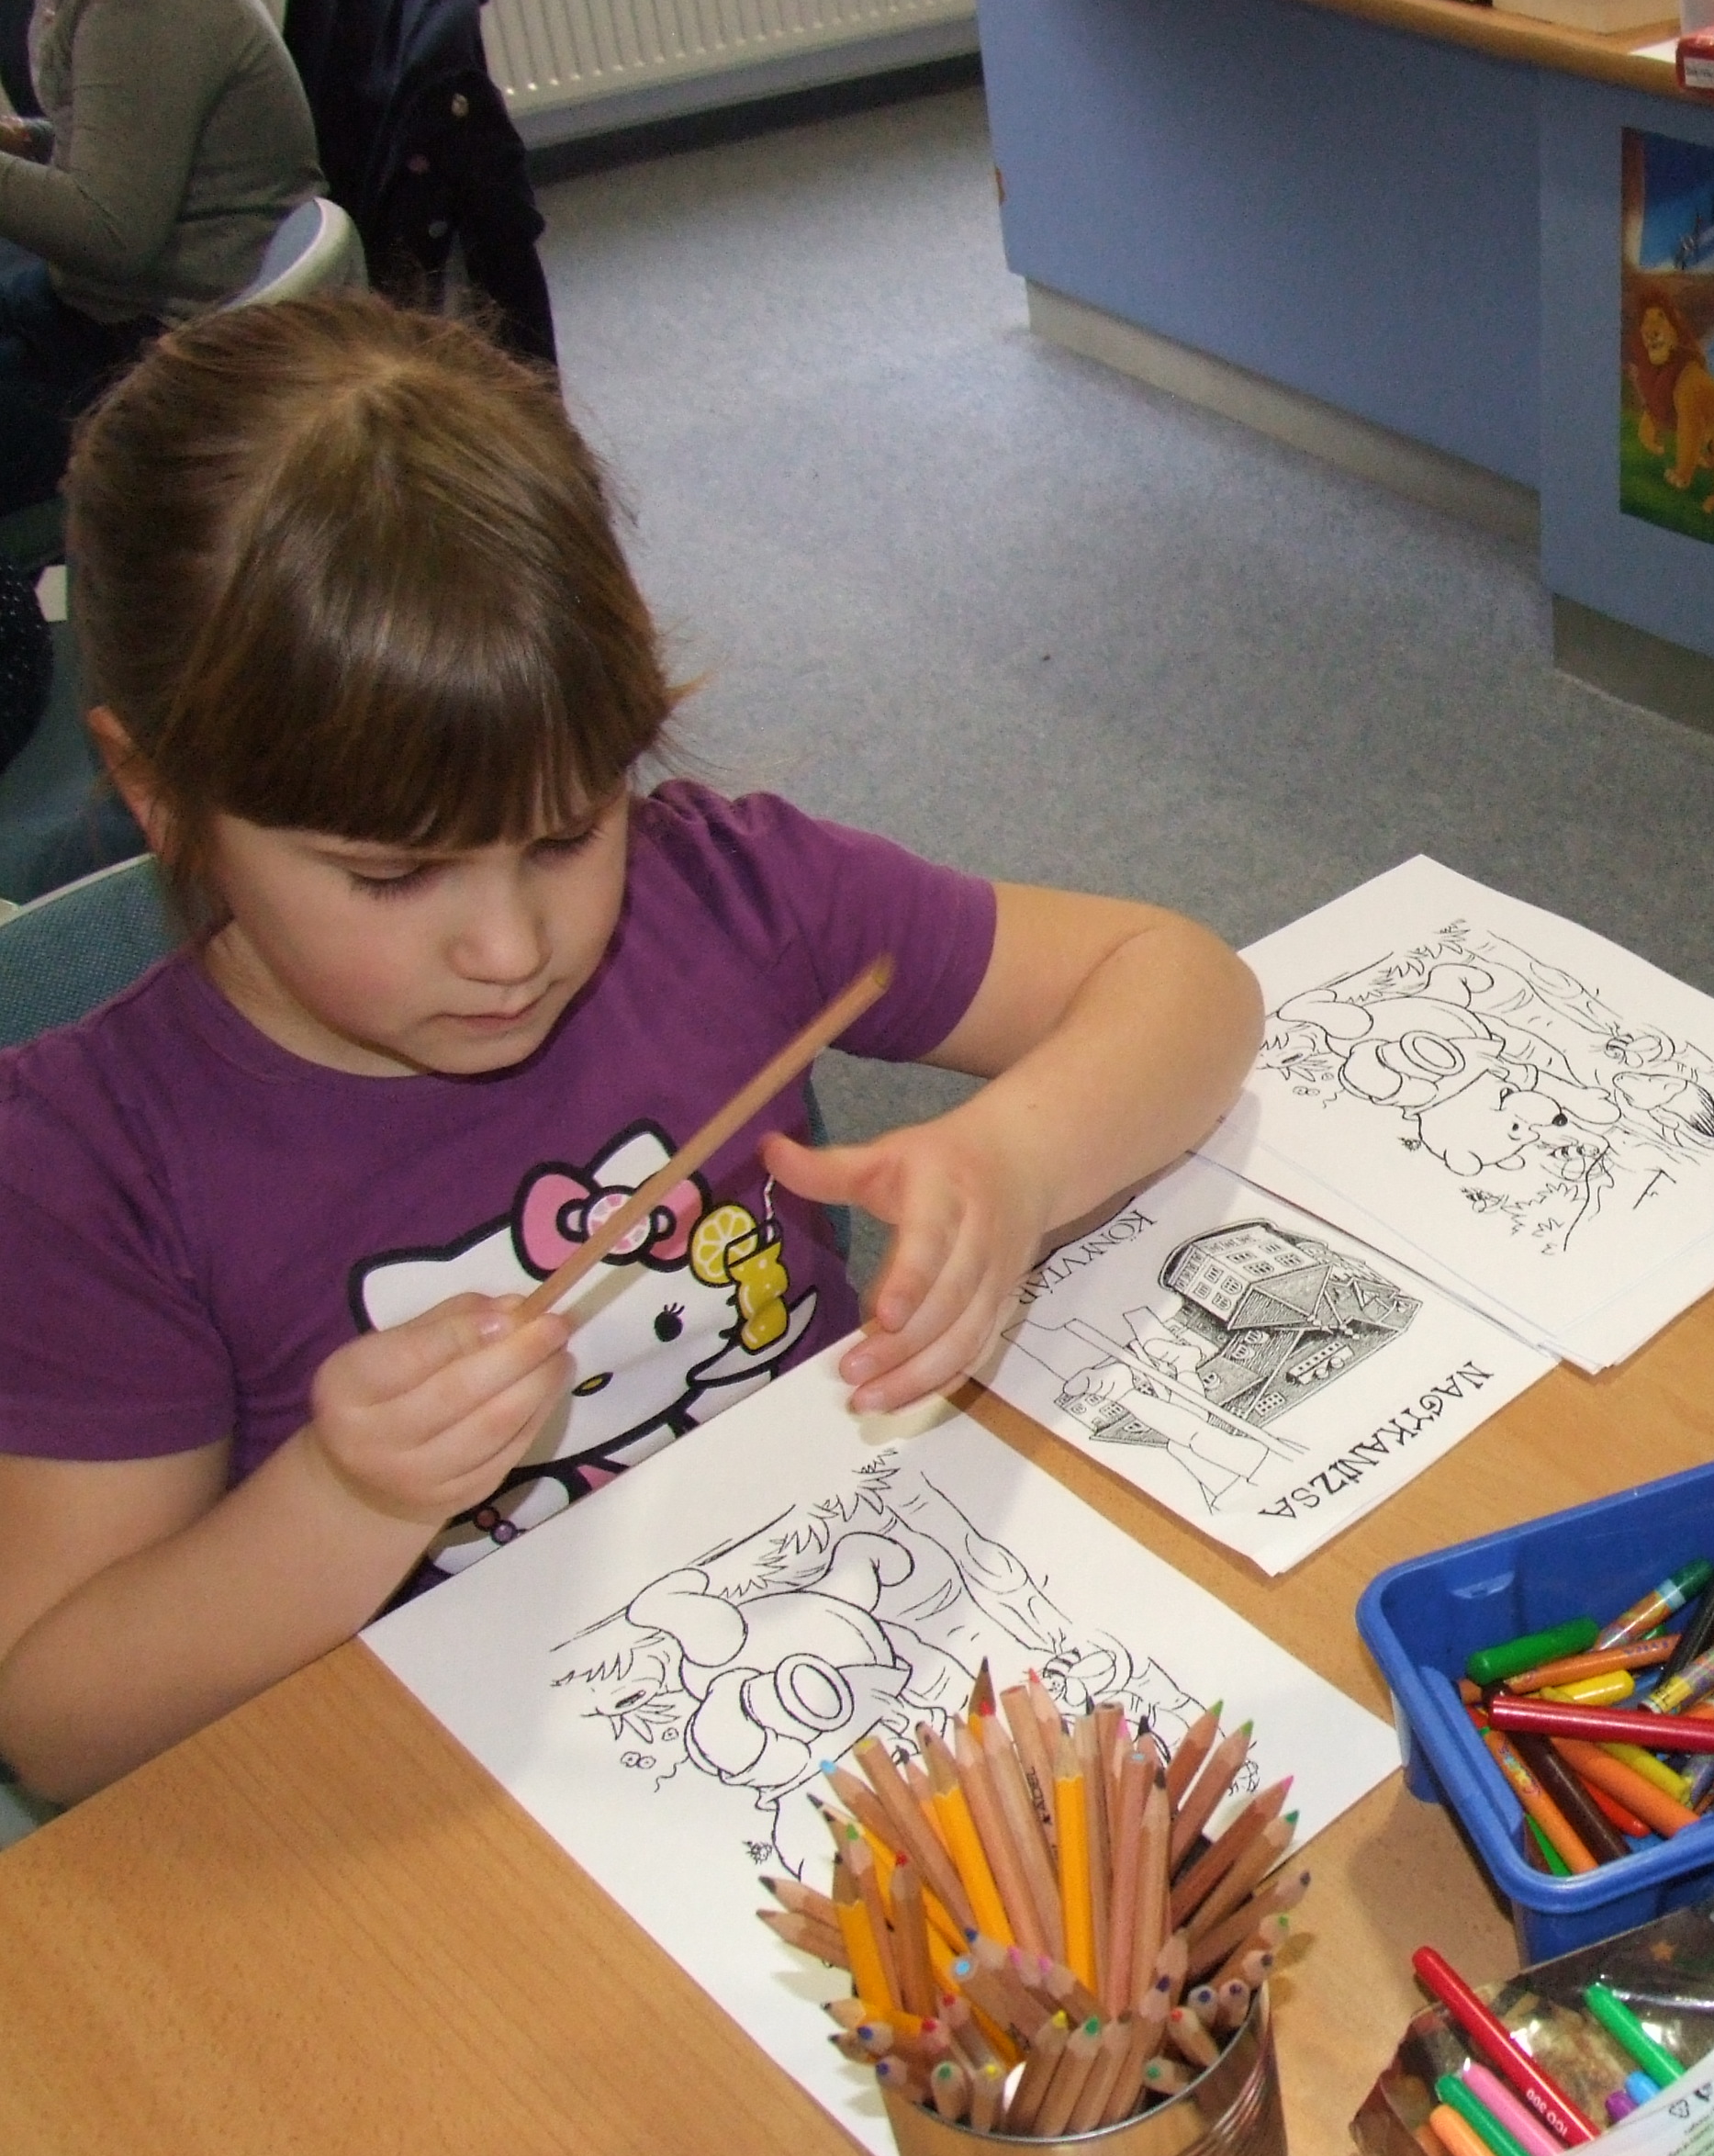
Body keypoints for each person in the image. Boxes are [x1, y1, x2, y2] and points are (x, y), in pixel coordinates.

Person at [0, 295, 1263, 1800]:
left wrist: (1019, 1155)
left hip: (858, 1648)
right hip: (465, 1815)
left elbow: (1182, 983)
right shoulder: (92, 1168)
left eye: (563, 832)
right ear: (156, 797)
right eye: (393, 877)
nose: (509, 947)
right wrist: (346, 1498)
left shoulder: (723, 892)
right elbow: (62, 1722)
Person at [0, 0, 320, 511]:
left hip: (175, 357)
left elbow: (111, 236)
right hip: (114, 308)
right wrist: (29, 141)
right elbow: (130, 128)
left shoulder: (141, 11)